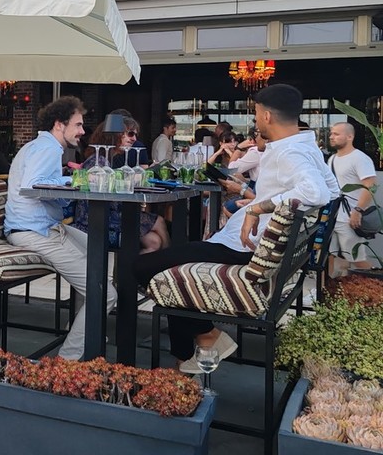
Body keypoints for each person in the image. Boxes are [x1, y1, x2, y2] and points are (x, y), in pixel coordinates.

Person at [134, 84, 338, 373]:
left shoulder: (289, 152)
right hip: (249, 245)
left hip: (242, 249)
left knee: (140, 267)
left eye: (255, 115)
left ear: (267, 116)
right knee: (173, 262)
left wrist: (257, 208)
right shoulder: (305, 146)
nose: (255, 121)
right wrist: (257, 202)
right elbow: (333, 191)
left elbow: (316, 192)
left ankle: (206, 336)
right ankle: (189, 353)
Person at [4, 96, 117, 361]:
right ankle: (67, 360)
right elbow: (32, 186)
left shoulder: (41, 146)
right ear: (59, 124)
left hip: (42, 227)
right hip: (33, 233)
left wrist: (68, 181)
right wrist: (74, 181)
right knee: (105, 294)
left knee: (97, 253)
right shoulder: (48, 148)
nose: (82, 131)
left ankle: (84, 327)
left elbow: (44, 190)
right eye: (77, 125)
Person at [76, 117, 169, 252]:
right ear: (115, 134)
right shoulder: (98, 161)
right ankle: (170, 263)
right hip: (95, 220)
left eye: (135, 135)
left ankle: (139, 266)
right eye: (130, 134)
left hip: (109, 215)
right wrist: (129, 183)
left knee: (154, 241)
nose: (134, 139)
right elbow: (105, 198)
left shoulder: (108, 160)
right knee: (159, 221)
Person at [326, 122, 377, 276]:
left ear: (350, 137)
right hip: (333, 216)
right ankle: (328, 287)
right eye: (331, 133)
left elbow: (371, 185)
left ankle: (375, 284)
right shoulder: (332, 159)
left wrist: (358, 210)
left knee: (357, 259)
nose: (331, 137)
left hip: (350, 219)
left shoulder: (359, 158)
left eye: (336, 134)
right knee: (328, 256)